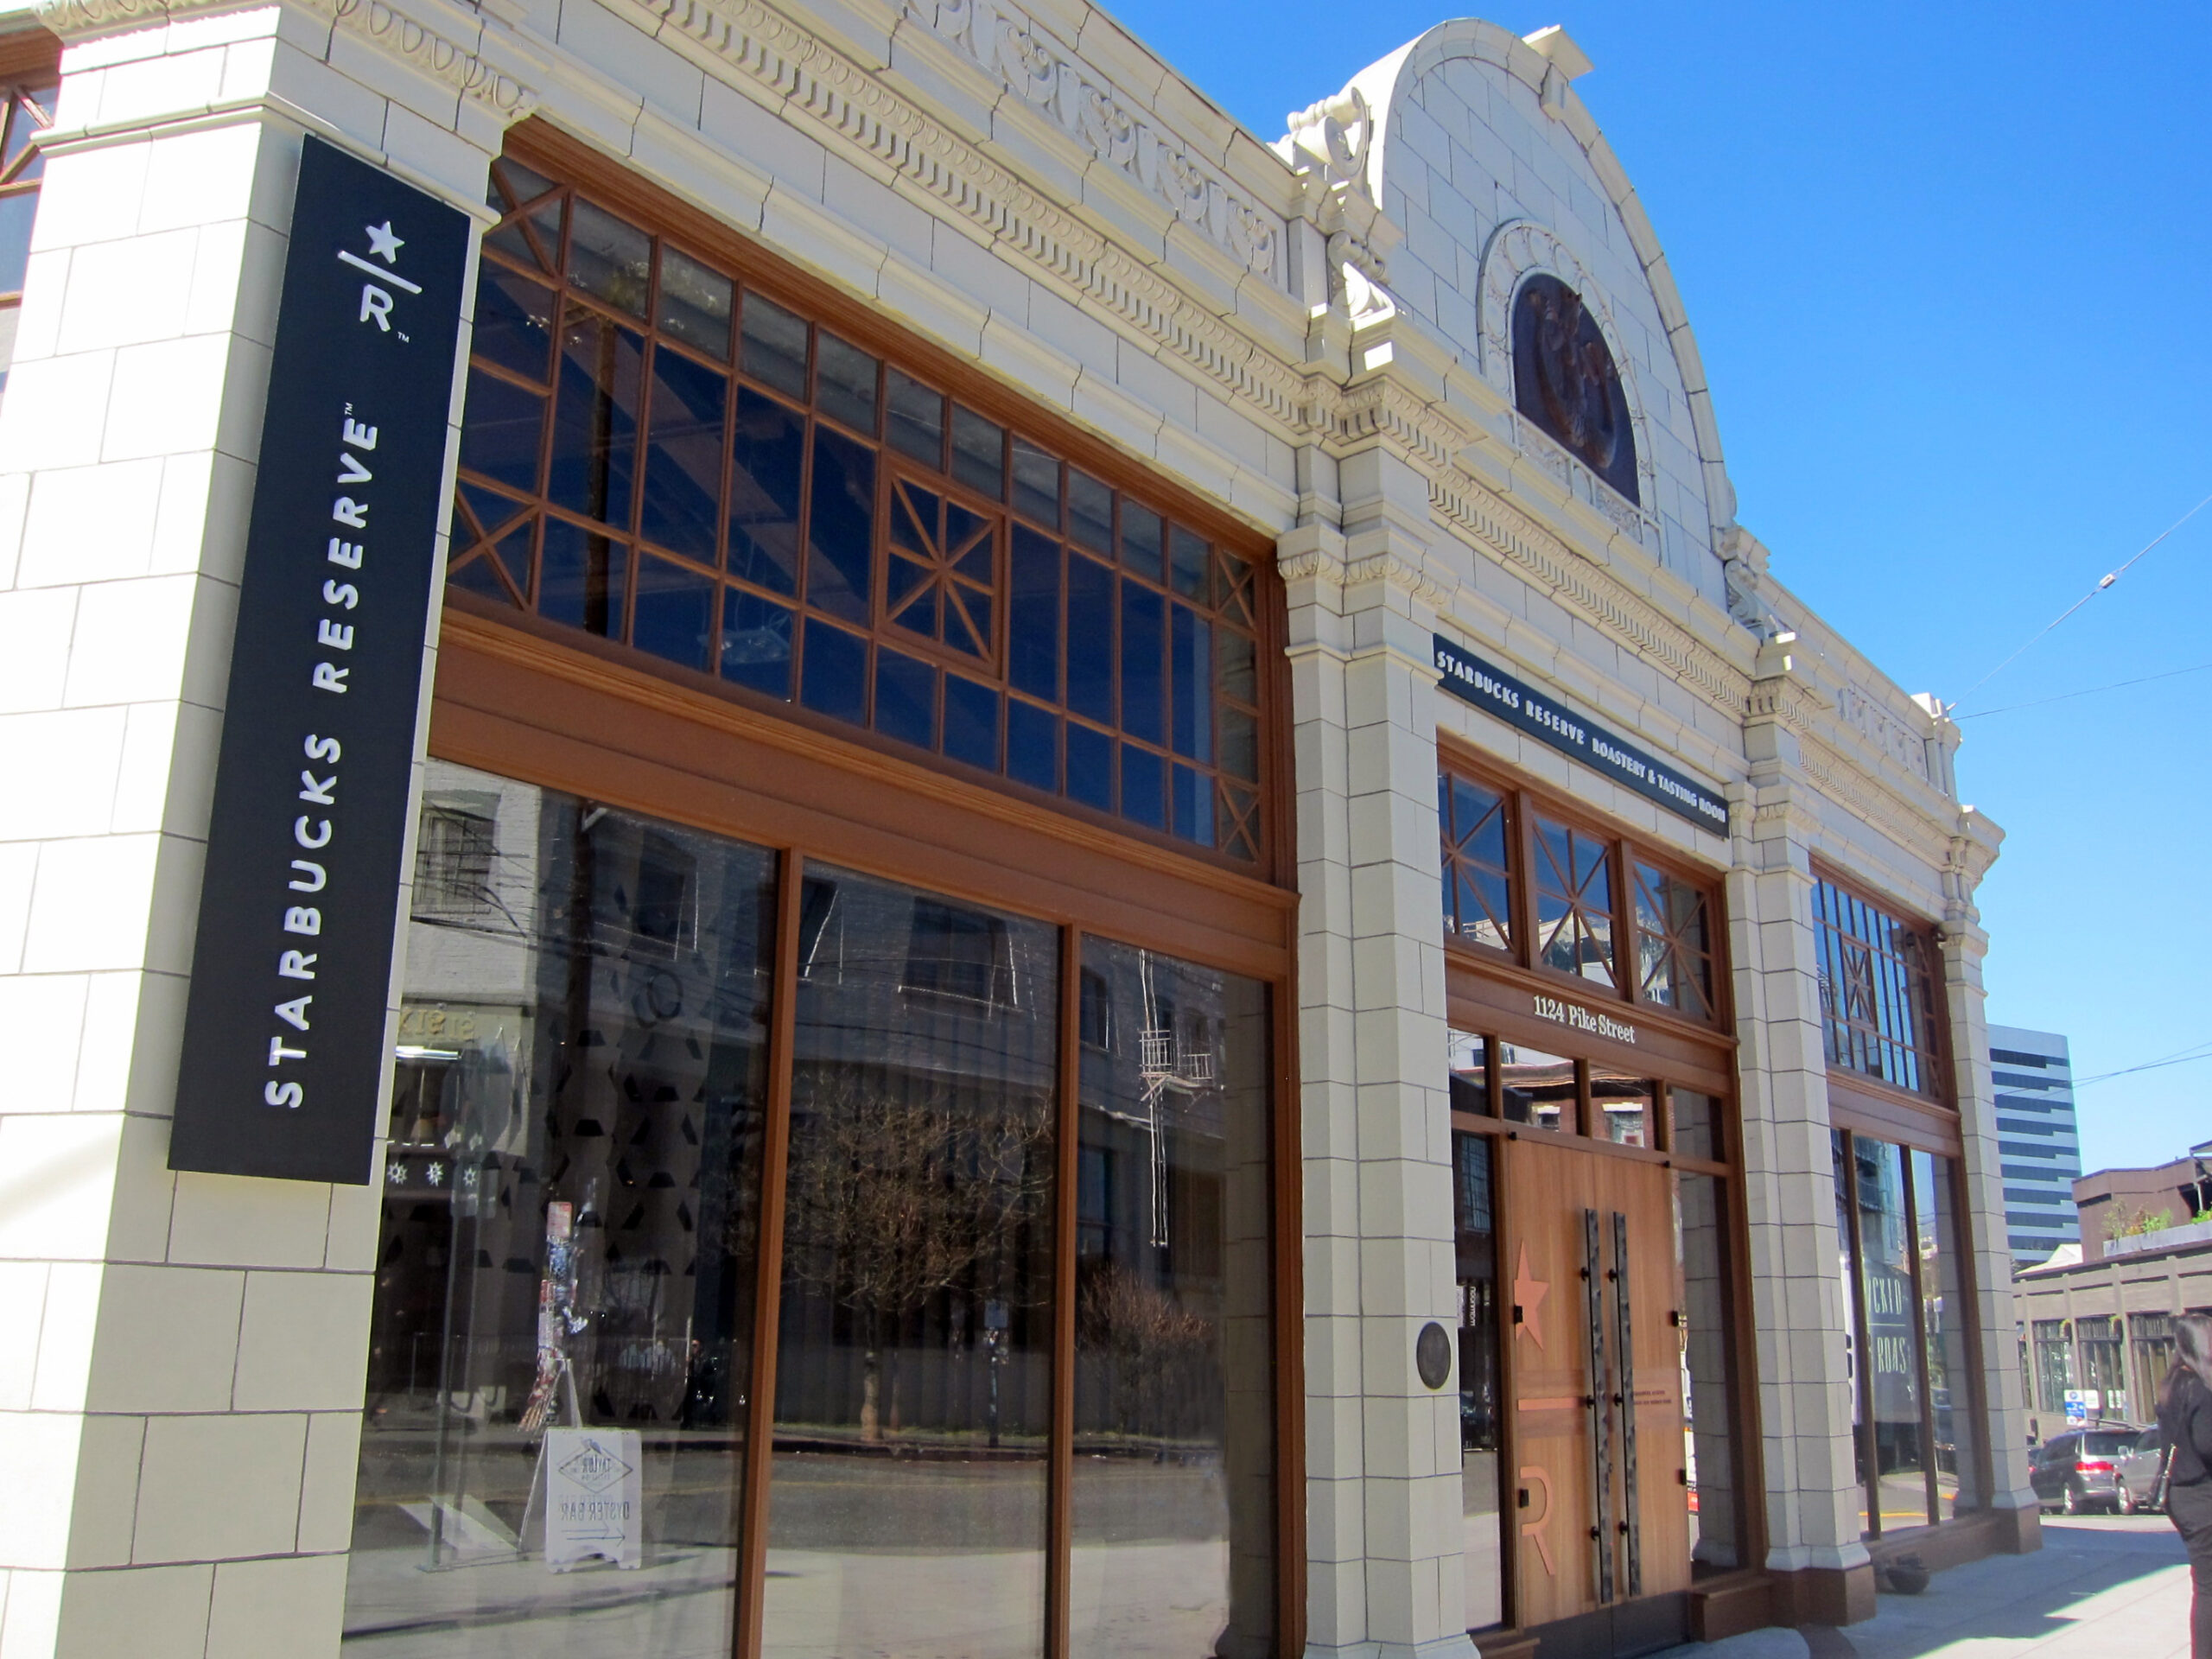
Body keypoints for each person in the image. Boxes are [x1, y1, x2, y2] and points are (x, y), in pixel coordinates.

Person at [2158, 1313, 2212, 1659]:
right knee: (2209, 1588)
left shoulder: (2173, 1383)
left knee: (2205, 1585)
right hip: (2201, 1497)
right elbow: (2207, 1443)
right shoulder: (2199, 1388)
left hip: (2182, 1496)